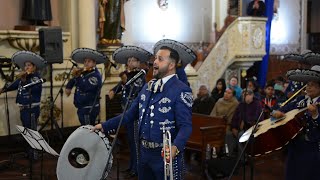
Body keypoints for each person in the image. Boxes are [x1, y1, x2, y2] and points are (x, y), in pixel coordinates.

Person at [93, 45, 193, 180]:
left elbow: (185, 125)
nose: (155, 62)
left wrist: (175, 147)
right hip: (144, 153)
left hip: (165, 155)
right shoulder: (148, 87)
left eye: (160, 59)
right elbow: (129, 115)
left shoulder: (181, 89)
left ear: (171, 65)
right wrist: (105, 126)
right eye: (155, 58)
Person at [108, 45, 153, 178]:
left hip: (135, 114)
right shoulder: (128, 75)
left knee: (135, 142)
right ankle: (132, 166)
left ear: (139, 63)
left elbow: (134, 89)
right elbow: (122, 85)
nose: (129, 62)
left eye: (133, 60)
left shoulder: (140, 76)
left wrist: (124, 82)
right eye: (128, 60)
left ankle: (137, 169)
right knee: (130, 142)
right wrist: (113, 90)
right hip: (126, 113)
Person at [272, 65, 320, 180]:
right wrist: (276, 113)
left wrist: (315, 115)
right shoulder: (300, 100)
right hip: (295, 146)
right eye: (307, 84)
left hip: (314, 148)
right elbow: (278, 112)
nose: (308, 88)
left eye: (312, 85)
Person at [0, 51, 46, 130]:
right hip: (24, 110)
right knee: (27, 131)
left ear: (34, 67)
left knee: (32, 132)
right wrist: (2, 90)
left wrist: (24, 80)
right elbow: (12, 85)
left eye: (29, 65)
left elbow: (33, 88)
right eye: (25, 65)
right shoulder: (22, 78)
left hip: (32, 110)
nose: (26, 67)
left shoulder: (36, 78)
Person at [65, 48, 104, 126]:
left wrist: (78, 77)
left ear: (94, 63)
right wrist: (72, 80)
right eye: (85, 61)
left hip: (89, 108)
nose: (86, 63)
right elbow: (72, 83)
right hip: (82, 107)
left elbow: (86, 87)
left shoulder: (95, 75)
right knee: (84, 128)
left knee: (88, 129)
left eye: (89, 61)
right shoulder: (84, 74)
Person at [231, 88, 263, 155]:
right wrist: (233, 127)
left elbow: (258, 118)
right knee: (230, 135)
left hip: (252, 127)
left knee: (241, 135)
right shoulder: (241, 105)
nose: (244, 97)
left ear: (252, 95)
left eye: (247, 95)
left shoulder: (257, 104)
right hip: (241, 128)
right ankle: (234, 156)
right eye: (243, 95)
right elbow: (235, 117)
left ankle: (244, 158)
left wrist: (245, 121)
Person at [210, 88, 239, 155]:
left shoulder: (235, 103)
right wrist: (216, 120)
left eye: (229, 93)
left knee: (226, 134)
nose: (226, 94)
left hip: (227, 125)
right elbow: (213, 114)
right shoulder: (219, 101)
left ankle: (225, 154)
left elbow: (233, 117)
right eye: (225, 92)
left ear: (233, 95)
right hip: (216, 123)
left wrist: (223, 120)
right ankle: (212, 153)